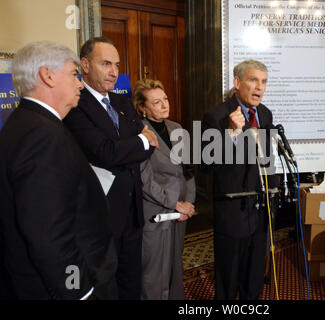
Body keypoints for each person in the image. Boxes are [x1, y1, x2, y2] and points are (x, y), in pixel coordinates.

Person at [0, 41, 118, 299]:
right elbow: (48, 233)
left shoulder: (26, 123)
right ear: (47, 75)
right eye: (74, 74)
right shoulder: (42, 135)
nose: (79, 84)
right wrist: (80, 290)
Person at [64, 37, 158, 300]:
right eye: (105, 63)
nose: (114, 71)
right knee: (104, 288)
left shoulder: (122, 103)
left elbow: (150, 146)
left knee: (131, 284)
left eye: (116, 65)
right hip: (100, 216)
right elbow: (103, 151)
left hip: (133, 211)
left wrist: (128, 147)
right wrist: (137, 142)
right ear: (85, 64)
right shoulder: (75, 103)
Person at [202, 60, 277, 300]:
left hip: (259, 206)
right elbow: (207, 164)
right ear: (237, 82)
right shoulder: (216, 117)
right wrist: (231, 134)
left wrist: (272, 193)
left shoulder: (264, 114)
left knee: (254, 272)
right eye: (253, 80)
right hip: (232, 209)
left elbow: (268, 158)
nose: (259, 88)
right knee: (229, 274)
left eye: (263, 82)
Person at [132, 79, 195, 299]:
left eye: (165, 99)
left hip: (180, 212)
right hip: (156, 211)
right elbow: (144, 179)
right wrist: (173, 203)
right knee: (153, 273)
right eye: (156, 102)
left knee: (175, 269)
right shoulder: (138, 132)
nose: (164, 105)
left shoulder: (176, 128)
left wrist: (189, 203)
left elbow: (187, 170)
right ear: (143, 108)